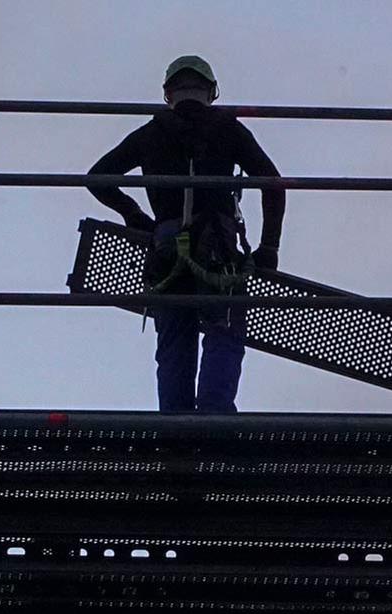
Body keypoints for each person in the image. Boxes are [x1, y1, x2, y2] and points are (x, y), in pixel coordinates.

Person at [86, 54, 286, 413]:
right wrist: (269, 246)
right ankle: (214, 415)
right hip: (218, 248)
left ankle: (175, 425)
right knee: (223, 327)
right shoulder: (227, 128)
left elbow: (98, 176)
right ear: (211, 91)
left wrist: (133, 214)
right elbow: (273, 184)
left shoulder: (152, 134)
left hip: (167, 249)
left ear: (168, 93)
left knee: (175, 338)